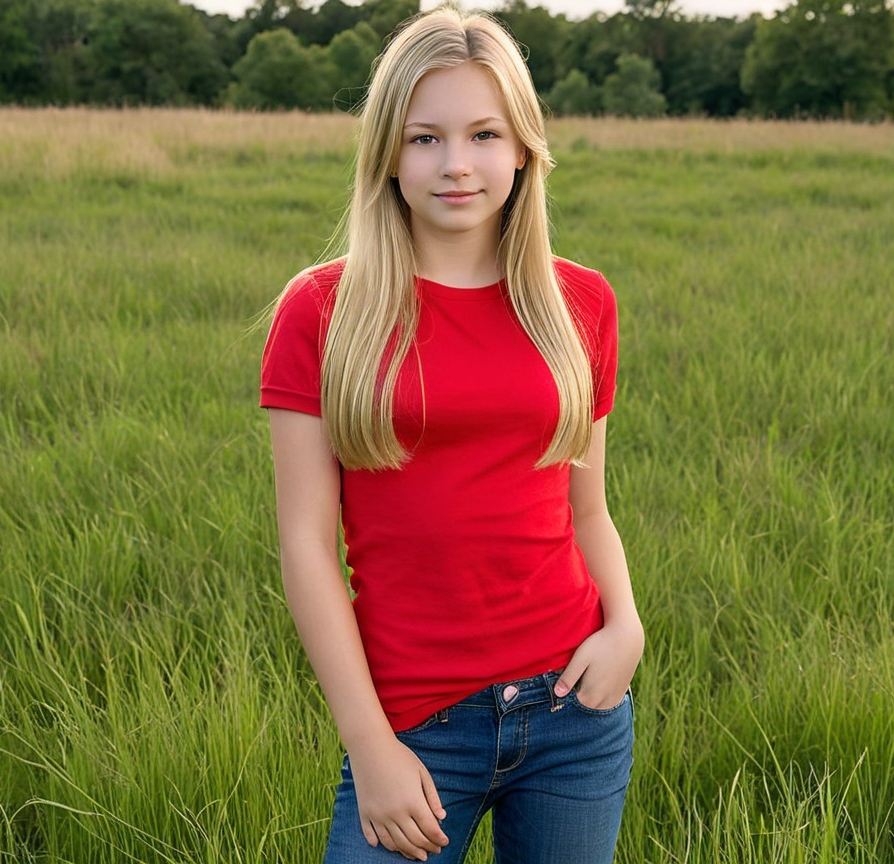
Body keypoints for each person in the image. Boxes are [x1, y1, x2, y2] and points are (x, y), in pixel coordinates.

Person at [259, 7, 643, 863]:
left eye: (482, 133)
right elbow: (305, 547)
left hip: (575, 709)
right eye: (425, 138)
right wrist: (371, 746)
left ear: (523, 148)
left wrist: (627, 627)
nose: (456, 164)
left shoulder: (579, 306)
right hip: (416, 724)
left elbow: (588, 509)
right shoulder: (323, 312)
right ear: (388, 153)